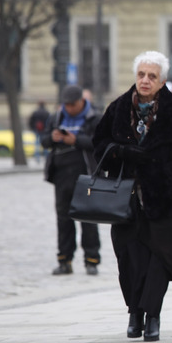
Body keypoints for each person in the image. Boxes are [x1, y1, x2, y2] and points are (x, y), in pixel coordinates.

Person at [93, 51, 172, 342]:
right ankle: (135, 313)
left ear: (162, 81)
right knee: (130, 258)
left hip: (165, 197)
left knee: (161, 258)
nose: (145, 80)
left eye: (152, 76)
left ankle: (153, 315)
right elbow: (99, 145)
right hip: (126, 199)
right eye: (142, 74)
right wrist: (121, 151)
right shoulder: (118, 108)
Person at [42, 85, 102, 276]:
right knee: (63, 220)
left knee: (88, 218)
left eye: (72, 105)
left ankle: (91, 260)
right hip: (61, 176)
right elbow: (43, 140)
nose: (69, 108)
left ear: (81, 102)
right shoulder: (57, 117)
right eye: (65, 104)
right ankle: (64, 261)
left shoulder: (94, 118)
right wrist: (52, 138)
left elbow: (99, 143)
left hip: (85, 175)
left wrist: (75, 140)